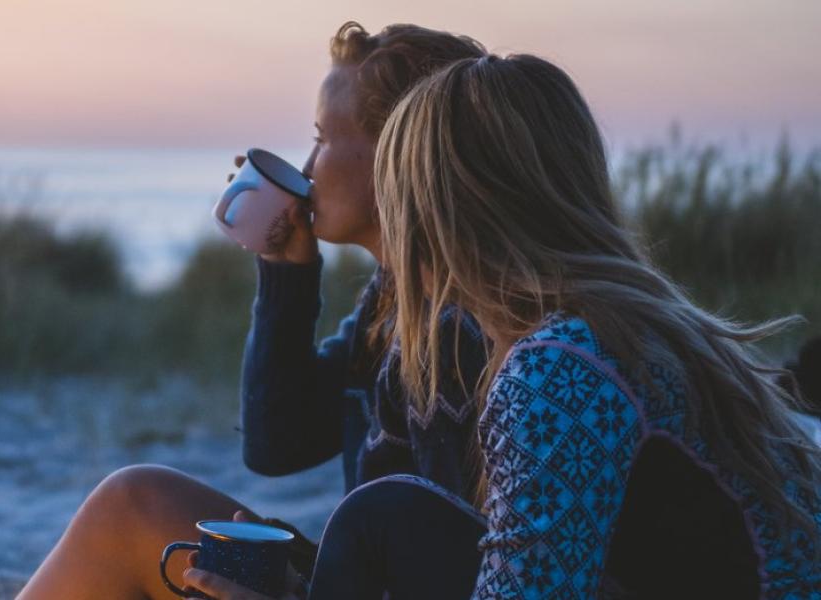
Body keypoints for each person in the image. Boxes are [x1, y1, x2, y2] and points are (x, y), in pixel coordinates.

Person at [182, 53, 821, 599]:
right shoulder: (628, 325)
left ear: (439, 211)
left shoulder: (560, 368)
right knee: (387, 515)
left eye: (400, 198)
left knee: (376, 517)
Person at [16, 22, 487, 600]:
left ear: (398, 150)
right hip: (359, 576)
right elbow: (276, 443)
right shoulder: (392, 301)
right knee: (132, 502)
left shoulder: (469, 328)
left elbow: (470, 571)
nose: (308, 166)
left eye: (323, 137)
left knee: (130, 507)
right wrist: (286, 271)